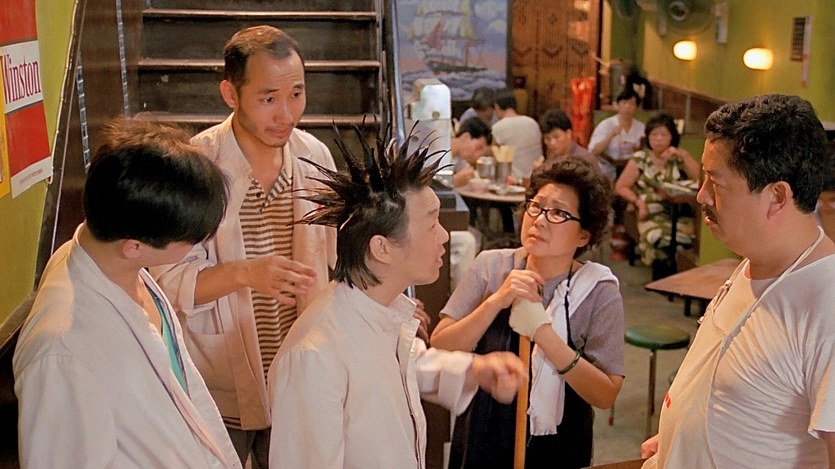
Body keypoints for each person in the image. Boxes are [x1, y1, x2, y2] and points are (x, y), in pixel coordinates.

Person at [267, 130, 528, 469]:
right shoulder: (313, 357)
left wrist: (476, 370)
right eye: (431, 224)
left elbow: (406, 365)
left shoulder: (376, 311)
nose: (444, 235)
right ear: (382, 248)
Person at [150, 25, 337, 468]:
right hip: (218, 382)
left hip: (297, 376)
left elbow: (334, 259)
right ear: (230, 94)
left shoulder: (315, 157)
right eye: (268, 98)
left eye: (296, 94)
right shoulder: (199, 164)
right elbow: (167, 281)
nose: (286, 114)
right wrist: (246, 273)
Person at [13, 118, 240, 468]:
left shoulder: (113, 259)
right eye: (189, 240)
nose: (195, 245)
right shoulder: (60, 356)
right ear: (134, 246)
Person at [640, 95, 835, 468]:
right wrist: (681, 436)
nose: (701, 195)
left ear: (776, 196)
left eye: (716, 182)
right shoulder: (756, 262)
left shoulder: (826, 304)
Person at [432, 158, 625, 469]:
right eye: (536, 206)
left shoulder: (597, 290)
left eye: (559, 213)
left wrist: (543, 333)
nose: (540, 220)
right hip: (483, 432)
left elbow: (605, 394)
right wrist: (496, 301)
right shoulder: (491, 266)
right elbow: (440, 346)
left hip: (560, 445)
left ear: (584, 235)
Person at [614, 113, 700, 276]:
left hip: (678, 210)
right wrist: (638, 202)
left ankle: (675, 273)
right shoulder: (641, 158)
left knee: (688, 237)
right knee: (659, 238)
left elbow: (699, 178)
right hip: (650, 211)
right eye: (654, 134)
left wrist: (683, 155)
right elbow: (621, 187)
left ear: (672, 137)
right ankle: (662, 274)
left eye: (664, 135)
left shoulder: (677, 158)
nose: (658, 139)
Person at [589, 88, 646, 180]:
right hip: (607, 172)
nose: (627, 107)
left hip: (632, 171)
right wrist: (611, 135)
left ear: (636, 107)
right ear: (618, 105)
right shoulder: (606, 124)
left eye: (631, 104)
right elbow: (594, 151)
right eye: (624, 103)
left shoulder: (641, 127)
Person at [491, 88, 543, 184]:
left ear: (497, 107)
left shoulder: (498, 127)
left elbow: (495, 159)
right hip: (537, 178)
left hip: (514, 182)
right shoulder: (532, 122)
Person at [538, 108, 600, 172]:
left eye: (556, 137)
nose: (552, 143)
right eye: (547, 138)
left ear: (568, 133)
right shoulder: (552, 157)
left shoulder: (584, 160)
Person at [451, 116, 492, 188]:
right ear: (465, 136)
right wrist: (454, 181)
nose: (477, 155)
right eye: (478, 147)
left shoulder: (460, 160)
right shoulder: (438, 151)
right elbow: (431, 186)